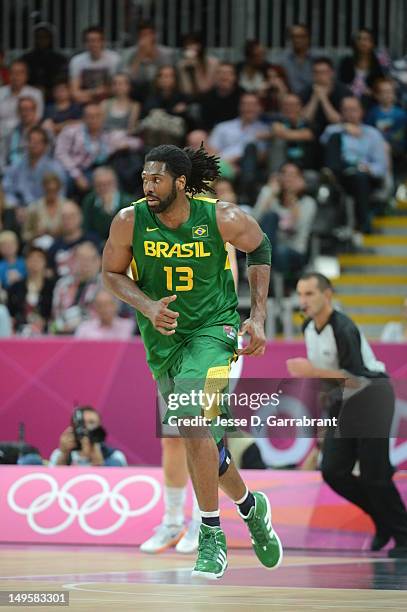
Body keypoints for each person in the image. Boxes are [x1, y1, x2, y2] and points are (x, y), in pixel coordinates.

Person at [102, 143, 282, 579]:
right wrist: (146, 305)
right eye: (144, 178)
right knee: (204, 441)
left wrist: (256, 317)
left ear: (180, 183)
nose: (148, 186)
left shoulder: (220, 216)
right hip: (163, 338)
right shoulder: (129, 221)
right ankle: (250, 507)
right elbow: (110, 274)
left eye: (157, 179)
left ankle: (210, 534)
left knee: (189, 420)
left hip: (214, 331)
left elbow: (260, 247)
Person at [287, 272, 407, 559]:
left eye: (309, 294)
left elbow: (356, 379)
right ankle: (383, 521)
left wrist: (312, 372)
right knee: (333, 470)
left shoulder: (342, 327)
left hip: (372, 395)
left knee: (374, 475)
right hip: (344, 402)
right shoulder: (308, 328)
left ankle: (402, 533)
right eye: (300, 294)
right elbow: (331, 384)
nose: (303, 301)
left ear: (327, 295)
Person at [140, 244, 241, 555]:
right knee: (172, 437)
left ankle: (203, 519)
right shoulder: (158, 237)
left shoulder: (217, 234)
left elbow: (229, 290)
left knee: (204, 435)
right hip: (173, 347)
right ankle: (172, 521)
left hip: (211, 345)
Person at [321, 96, 388, 233]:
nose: (350, 113)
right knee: (335, 138)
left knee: (359, 177)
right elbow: (323, 143)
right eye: (346, 110)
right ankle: (333, 175)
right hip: (341, 171)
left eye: (353, 110)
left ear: (361, 112)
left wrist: (368, 169)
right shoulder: (333, 130)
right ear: (341, 112)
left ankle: (363, 224)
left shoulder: (372, 134)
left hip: (364, 175)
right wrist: (344, 128)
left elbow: (381, 166)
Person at [254, 163, 316, 274]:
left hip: (294, 249)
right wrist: (270, 194)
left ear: (301, 179)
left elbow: (297, 228)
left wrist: (293, 197)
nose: (288, 178)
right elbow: (254, 220)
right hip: (268, 248)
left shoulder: (308, 203)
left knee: (280, 252)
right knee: (271, 216)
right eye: (285, 174)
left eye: (293, 175)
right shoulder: (271, 196)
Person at [2, 127, 66, 213]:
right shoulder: (17, 165)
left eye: (37, 142)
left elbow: (60, 196)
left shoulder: (55, 168)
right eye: (30, 141)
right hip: (20, 209)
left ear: (45, 146)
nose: (33, 145)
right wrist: (15, 206)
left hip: (45, 211)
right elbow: (7, 188)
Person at [49, 405, 127, 466]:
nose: (86, 428)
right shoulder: (59, 454)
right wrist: (64, 454)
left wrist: (96, 457)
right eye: (82, 424)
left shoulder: (115, 456)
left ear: (99, 426)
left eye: (91, 423)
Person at [0, 60, 43, 168]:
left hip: (24, 137)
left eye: (20, 73)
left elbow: (37, 118)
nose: (16, 77)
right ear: (8, 75)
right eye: (13, 73)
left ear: (26, 76)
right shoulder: (0, 93)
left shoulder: (35, 94)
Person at [51, 240, 101, 334]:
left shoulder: (105, 285)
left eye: (89, 259)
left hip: (94, 336)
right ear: (73, 261)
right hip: (63, 333)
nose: (85, 263)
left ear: (99, 261)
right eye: (81, 259)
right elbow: (56, 313)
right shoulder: (62, 284)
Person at [7, 245, 55, 335]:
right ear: (26, 262)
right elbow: (10, 312)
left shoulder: (53, 286)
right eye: (31, 259)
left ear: (45, 262)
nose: (35, 262)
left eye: (39, 259)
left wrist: (45, 321)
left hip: (46, 331)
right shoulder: (16, 287)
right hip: (19, 331)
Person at [120, 20, 174, 100]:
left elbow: (168, 74)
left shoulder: (165, 53)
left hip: (160, 91)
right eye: (143, 35)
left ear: (154, 35)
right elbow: (128, 79)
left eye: (149, 34)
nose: (146, 38)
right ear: (139, 37)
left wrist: (153, 54)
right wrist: (140, 55)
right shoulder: (129, 53)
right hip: (137, 92)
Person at [365, 77, 407, 178]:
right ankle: (387, 180)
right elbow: (368, 132)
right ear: (376, 95)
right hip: (379, 147)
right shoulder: (373, 113)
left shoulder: (401, 114)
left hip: (399, 146)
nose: (387, 94)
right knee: (384, 146)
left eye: (390, 91)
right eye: (384, 92)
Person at [47, 200, 100, 277]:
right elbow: (50, 273)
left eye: (71, 216)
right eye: (64, 217)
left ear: (80, 217)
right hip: (63, 286)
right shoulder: (54, 247)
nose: (67, 220)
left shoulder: (92, 240)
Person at [300, 57, 351, 138]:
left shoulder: (343, 91)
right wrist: (315, 98)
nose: (319, 76)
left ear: (331, 73)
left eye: (323, 72)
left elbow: (338, 121)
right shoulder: (307, 91)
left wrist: (323, 99)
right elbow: (304, 120)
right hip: (312, 134)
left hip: (337, 133)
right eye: (316, 72)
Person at [69, 26, 120, 105]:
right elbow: (74, 93)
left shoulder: (114, 58)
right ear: (85, 43)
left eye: (96, 40)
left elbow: (116, 89)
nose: (93, 44)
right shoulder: (76, 61)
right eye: (89, 41)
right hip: (84, 103)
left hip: (109, 103)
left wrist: (88, 94)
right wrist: (95, 92)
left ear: (103, 42)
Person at [82, 166, 134, 243]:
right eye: (99, 184)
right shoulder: (90, 201)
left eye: (108, 184)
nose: (104, 188)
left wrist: (109, 212)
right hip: (96, 244)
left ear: (116, 183)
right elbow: (87, 228)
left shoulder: (128, 202)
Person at [21, 22, 68, 102]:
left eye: (45, 37)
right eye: (39, 37)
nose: (42, 40)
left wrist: (48, 90)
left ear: (51, 38)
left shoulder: (60, 59)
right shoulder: (26, 59)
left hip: (54, 98)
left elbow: (63, 79)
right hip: (29, 97)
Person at [338, 29, 385, 102]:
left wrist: (372, 92)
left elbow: (383, 84)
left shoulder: (379, 63)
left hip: (372, 100)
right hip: (349, 100)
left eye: (366, 39)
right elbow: (341, 84)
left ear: (372, 43)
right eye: (359, 39)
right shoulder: (346, 62)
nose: (362, 42)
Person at [22, 173, 68, 244]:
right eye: (49, 190)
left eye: (54, 190)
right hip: (40, 247)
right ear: (44, 188)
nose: (51, 193)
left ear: (59, 189)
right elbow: (25, 235)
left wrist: (62, 231)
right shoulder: (34, 207)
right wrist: (36, 234)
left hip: (62, 245)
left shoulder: (67, 206)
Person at [199, 62, 242, 131]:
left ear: (235, 77)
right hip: (213, 132)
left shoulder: (243, 96)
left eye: (228, 73)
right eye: (220, 73)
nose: (224, 76)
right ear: (215, 77)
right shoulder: (207, 97)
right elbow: (204, 124)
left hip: (238, 132)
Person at [177, 32, 220, 96]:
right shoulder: (181, 64)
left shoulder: (213, 63)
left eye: (193, 44)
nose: (190, 47)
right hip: (189, 99)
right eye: (187, 45)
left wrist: (196, 67)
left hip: (210, 98)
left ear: (200, 45)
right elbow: (186, 91)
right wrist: (185, 69)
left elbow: (205, 89)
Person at [4, 96, 40, 169]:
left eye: (28, 109)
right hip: (13, 171)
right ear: (18, 112)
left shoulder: (45, 132)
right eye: (22, 110)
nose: (25, 113)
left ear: (35, 111)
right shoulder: (12, 133)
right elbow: (4, 157)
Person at [279, 24, 315, 94]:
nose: (297, 40)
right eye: (294, 37)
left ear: (308, 38)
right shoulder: (282, 60)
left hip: (315, 98)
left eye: (301, 36)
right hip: (289, 100)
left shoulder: (318, 58)